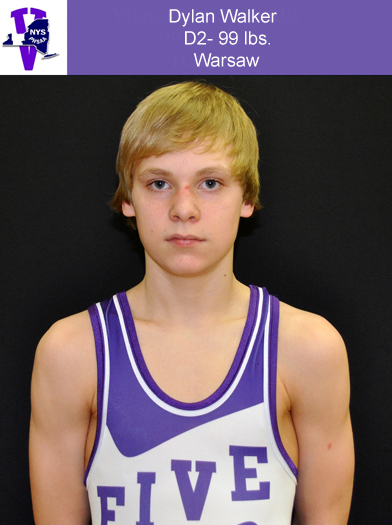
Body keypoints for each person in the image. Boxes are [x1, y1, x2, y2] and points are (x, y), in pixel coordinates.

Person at [29, 81, 354, 524]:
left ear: (247, 197)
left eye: (210, 183)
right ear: (128, 198)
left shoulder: (308, 350)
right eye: (159, 183)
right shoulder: (71, 353)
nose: (184, 209)